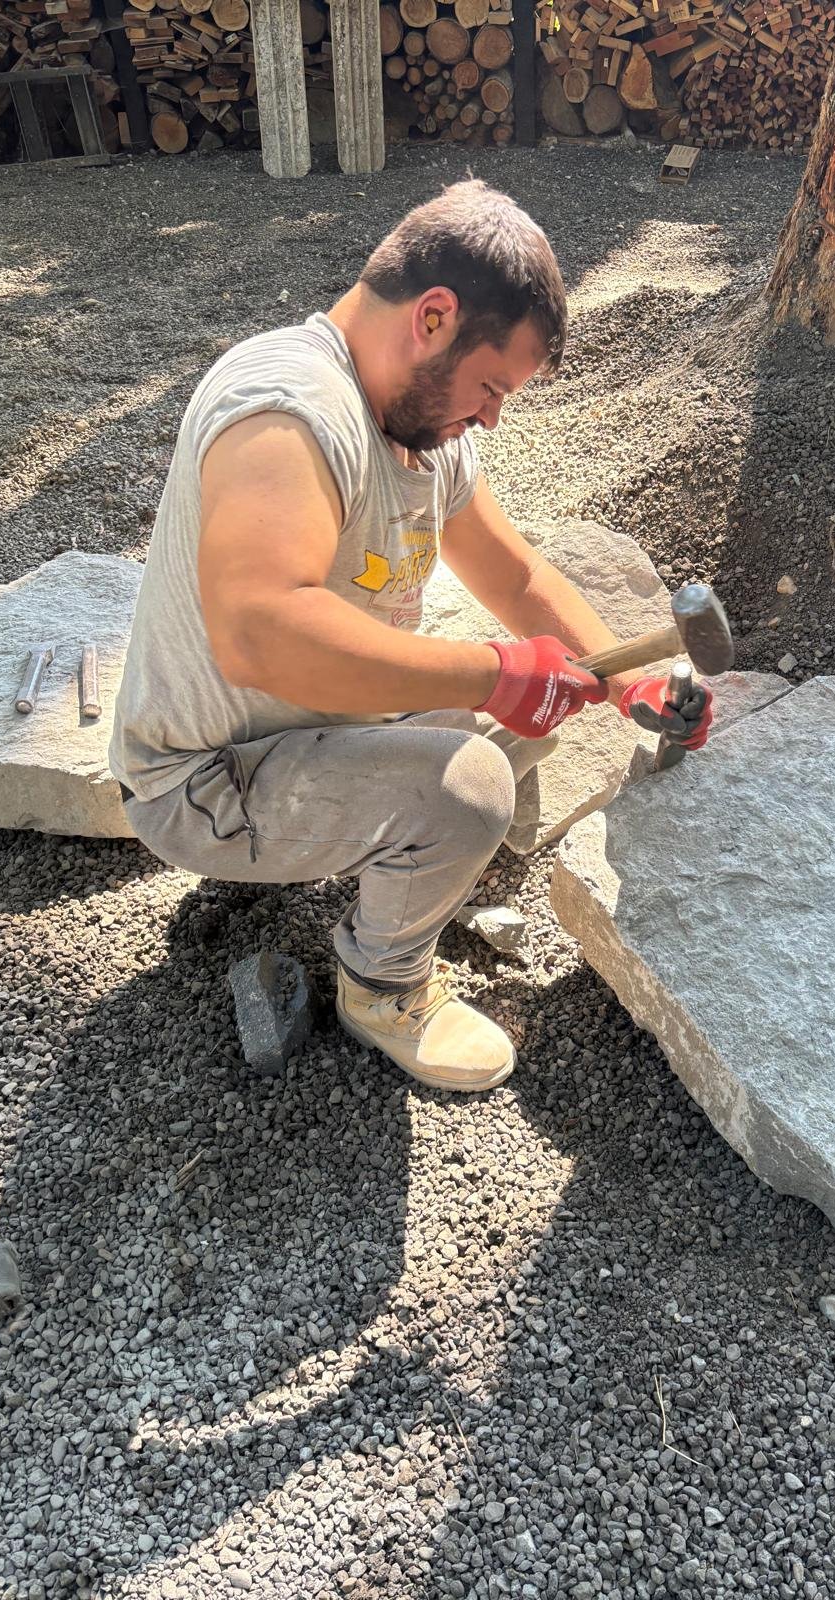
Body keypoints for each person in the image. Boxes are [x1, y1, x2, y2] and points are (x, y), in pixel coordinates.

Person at [110, 180, 714, 1094]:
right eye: (490, 387)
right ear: (434, 317)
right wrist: (490, 675)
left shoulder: (423, 432)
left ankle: (385, 833)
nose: (490, 418)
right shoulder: (286, 410)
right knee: (470, 786)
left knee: (551, 694)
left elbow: (515, 578)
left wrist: (624, 684)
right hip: (204, 782)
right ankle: (383, 986)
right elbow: (258, 634)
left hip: (320, 726)